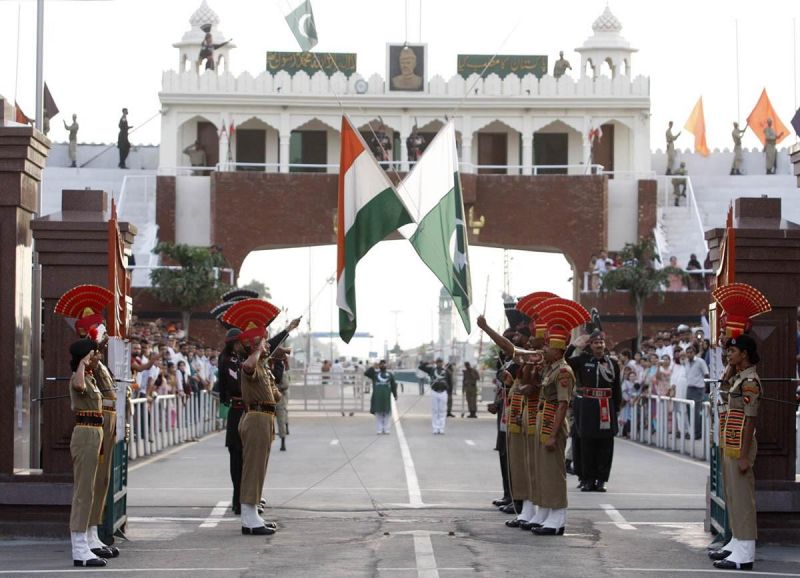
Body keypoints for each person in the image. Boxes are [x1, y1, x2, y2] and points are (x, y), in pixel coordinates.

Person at [531, 299, 585, 535]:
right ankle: (545, 511)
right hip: (544, 419)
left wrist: (553, 435)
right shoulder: (551, 368)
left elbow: (563, 404)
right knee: (543, 470)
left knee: (554, 471)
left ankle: (558, 517)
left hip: (553, 422)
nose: (544, 349)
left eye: (548, 347)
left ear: (559, 349)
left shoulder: (563, 371)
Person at [708, 335, 761, 570]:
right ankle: (737, 542)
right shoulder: (739, 377)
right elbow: (722, 386)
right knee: (732, 496)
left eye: (733, 351)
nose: (728, 355)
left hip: (741, 443)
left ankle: (746, 553)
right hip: (732, 440)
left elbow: (750, 419)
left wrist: (743, 455)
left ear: (745, 353)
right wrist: (730, 366)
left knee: (742, 499)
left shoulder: (750, 381)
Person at [67, 339, 107, 567]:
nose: (96, 357)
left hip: (95, 434)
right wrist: (82, 363)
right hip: (85, 434)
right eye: (92, 354)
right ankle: (79, 547)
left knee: (90, 489)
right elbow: (79, 386)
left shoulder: (91, 376)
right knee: (83, 491)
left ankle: (86, 541)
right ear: (84, 356)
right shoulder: (78, 377)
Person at [566, 330, 621, 493]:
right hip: (586, 407)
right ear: (590, 345)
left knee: (605, 444)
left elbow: (617, 388)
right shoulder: (582, 360)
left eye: (601, 343)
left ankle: (601, 479)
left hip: (606, 406)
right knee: (586, 443)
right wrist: (573, 346)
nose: (599, 345)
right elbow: (562, 362)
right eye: (596, 343)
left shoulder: (612, 363)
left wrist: (616, 408)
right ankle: (587, 478)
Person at [365, 360, 398, 434]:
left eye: (384, 364)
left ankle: (386, 429)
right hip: (377, 397)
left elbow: (393, 386)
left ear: (386, 365)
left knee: (387, 413)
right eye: (381, 364)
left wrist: (395, 395)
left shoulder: (390, 375)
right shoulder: (375, 374)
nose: (383, 365)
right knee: (378, 413)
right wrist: (373, 366)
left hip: (386, 397)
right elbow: (366, 373)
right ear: (379, 366)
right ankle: (379, 429)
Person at [683, 344, 709, 439]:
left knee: (696, 412)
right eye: (688, 353)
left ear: (694, 353)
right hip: (689, 388)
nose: (689, 354)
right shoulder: (686, 362)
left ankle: (697, 433)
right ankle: (692, 431)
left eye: (691, 352)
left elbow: (706, 374)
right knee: (689, 411)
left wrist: (705, 387)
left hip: (698, 389)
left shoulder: (700, 361)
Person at [420, 358, 451, 434]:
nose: (439, 364)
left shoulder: (446, 371)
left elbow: (450, 382)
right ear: (436, 363)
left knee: (442, 411)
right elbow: (421, 367)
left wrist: (449, 393)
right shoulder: (432, 370)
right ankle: (435, 428)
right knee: (435, 411)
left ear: (443, 363)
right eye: (438, 362)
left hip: (443, 392)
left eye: (441, 362)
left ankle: (441, 428)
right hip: (434, 392)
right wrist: (428, 362)